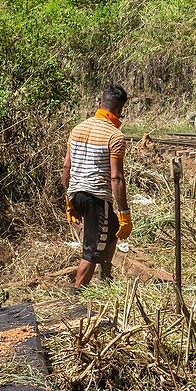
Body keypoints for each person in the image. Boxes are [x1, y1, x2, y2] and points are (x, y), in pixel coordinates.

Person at [63, 85, 132, 291]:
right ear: (120, 109)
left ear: (98, 104)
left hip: (77, 193)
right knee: (91, 250)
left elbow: (67, 166)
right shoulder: (115, 136)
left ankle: (106, 280)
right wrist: (124, 213)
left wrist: (69, 199)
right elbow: (116, 177)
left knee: (110, 230)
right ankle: (75, 293)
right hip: (96, 197)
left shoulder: (77, 129)